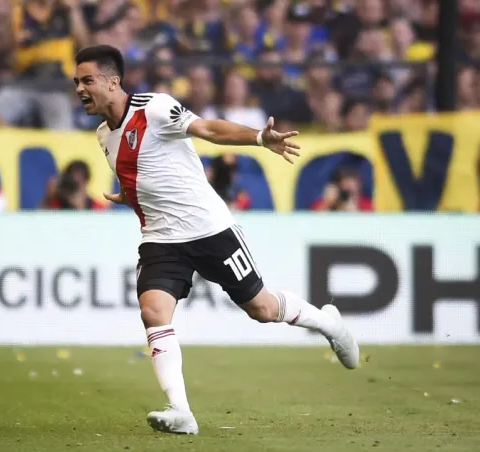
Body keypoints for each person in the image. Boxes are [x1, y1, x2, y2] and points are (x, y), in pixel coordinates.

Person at [73, 45, 359, 435]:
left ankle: (329, 325)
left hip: (209, 229)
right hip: (160, 238)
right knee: (153, 312)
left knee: (259, 307)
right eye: (76, 82)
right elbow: (143, 172)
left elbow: (208, 129)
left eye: (87, 80)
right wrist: (130, 195)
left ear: (113, 81)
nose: (80, 88)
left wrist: (260, 137)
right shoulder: (104, 134)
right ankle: (181, 411)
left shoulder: (154, 108)